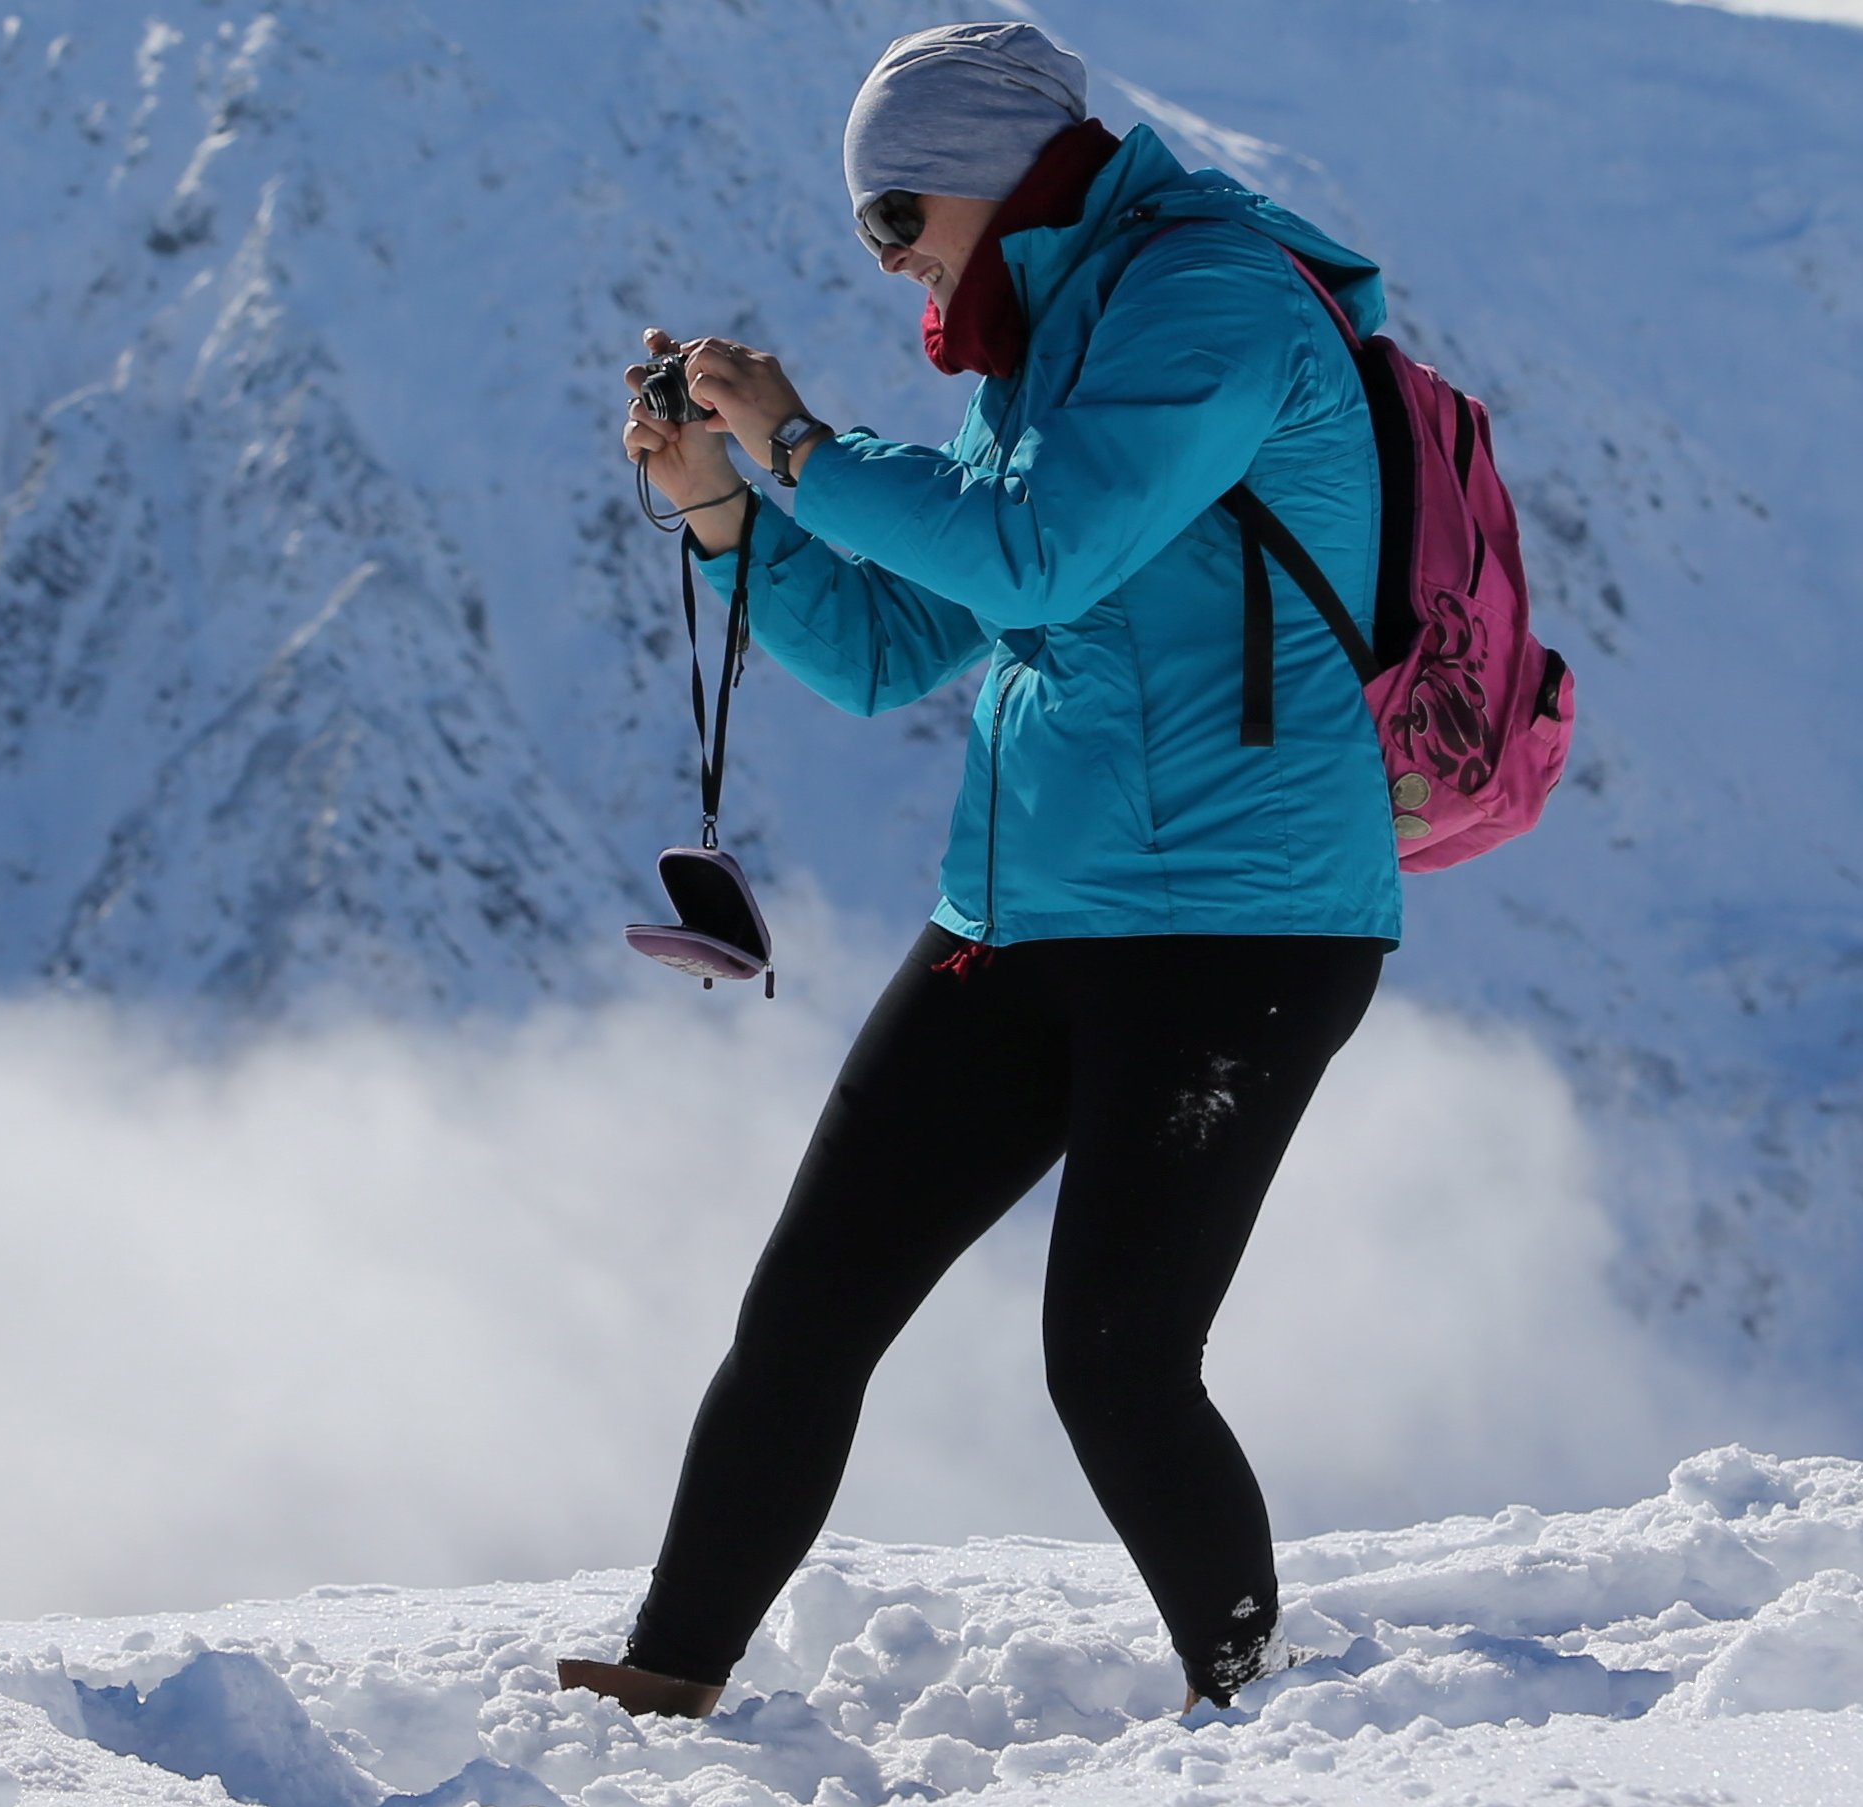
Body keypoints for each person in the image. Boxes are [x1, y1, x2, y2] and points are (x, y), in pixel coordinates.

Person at [560, 22, 1400, 1719]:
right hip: (1025, 909)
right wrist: (725, 514)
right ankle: (665, 1683)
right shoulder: (1051, 348)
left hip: (1235, 919)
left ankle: (1265, 1714)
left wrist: (798, 444)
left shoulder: (1208, 305)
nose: (888, 258)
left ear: (996, 171)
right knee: (805, 1310)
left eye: (895, 215)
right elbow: (891, 645)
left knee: (1114, 1359)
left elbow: (1034, 548)